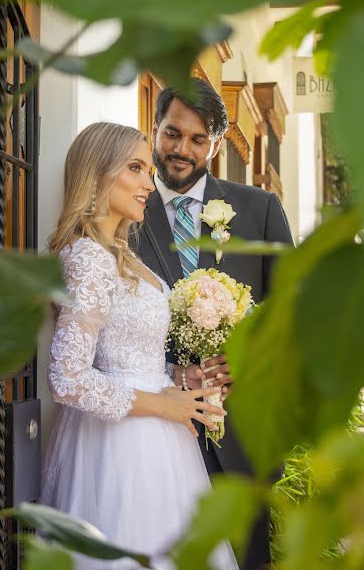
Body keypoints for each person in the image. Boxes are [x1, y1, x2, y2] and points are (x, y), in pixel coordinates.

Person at [40, 122, 239, 570]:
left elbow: (124, 354)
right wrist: (161, 405)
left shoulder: (121, 255)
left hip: (158, 438)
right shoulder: (89, 256)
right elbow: (68, 378)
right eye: (135, 168)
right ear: (96, 174)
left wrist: (177, 378)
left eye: (148, 170)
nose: (149, 183)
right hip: (119, 448)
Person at [133, 78, 294, 570]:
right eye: (171, 134)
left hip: (240, 431)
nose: (181, 150)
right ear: (155, 130)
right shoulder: (126, 211)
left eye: (197, 139)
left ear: (217, 144)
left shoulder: (259, 210)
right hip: (152, 429)